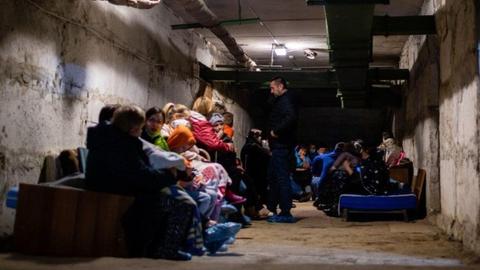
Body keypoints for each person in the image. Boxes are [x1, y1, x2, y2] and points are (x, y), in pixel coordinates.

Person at [85, 105, 195, 260]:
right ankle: (163, 249)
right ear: (133, 127)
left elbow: (141, 170)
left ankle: (156, 247)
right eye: (140, 127)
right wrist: (170, 176)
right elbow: (142, 176)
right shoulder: (120, 144)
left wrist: (170, 175)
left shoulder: (115, 138)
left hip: (115, 185)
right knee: (178, 204)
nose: (141, 131)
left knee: (167, 197)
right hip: (113, 190)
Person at [266, 77, 298, 223]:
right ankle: (272, 209)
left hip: (281, 146)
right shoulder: (281, 100)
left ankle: (285, 212)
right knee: (273, 178)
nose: (271, 91)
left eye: (273, 88)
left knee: (282, 179)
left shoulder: (285, 100)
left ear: (280, 86)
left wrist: (276, 131)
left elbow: (291, 117)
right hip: (279, 147)